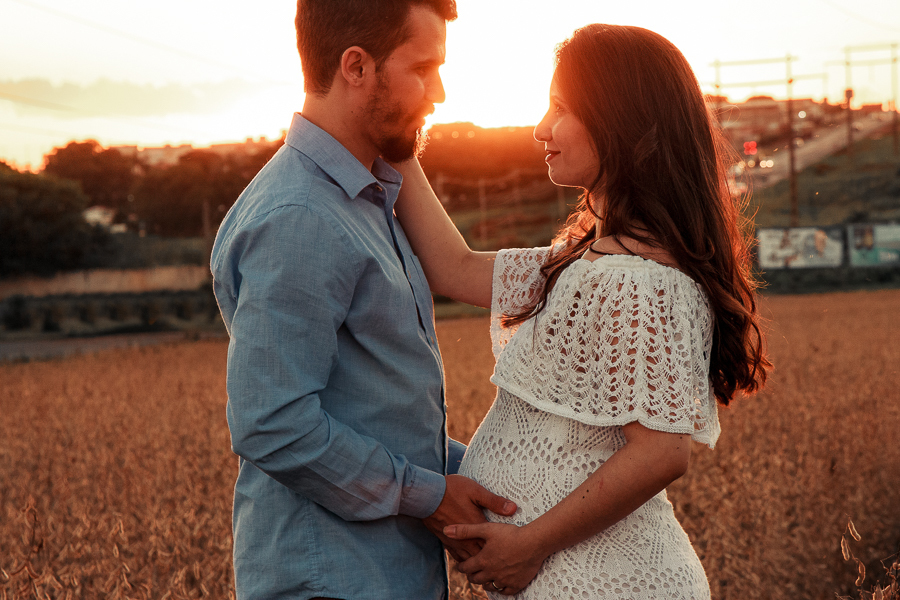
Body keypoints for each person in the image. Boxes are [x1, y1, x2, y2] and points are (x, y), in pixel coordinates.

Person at [394, 24, 770, 599]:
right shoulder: (586, 260)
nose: (541, 128)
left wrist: (530, 543)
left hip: (610, 583)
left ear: (619, 122)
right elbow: (455, 267)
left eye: (561, 108)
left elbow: (661, 453)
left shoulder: (639, 282)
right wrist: (398, 140)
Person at [210, 1, 515, 598]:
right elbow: (273, 425)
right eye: (423, 68)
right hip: (329, 580)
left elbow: (375, 410)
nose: (441, 93)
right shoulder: (299, 216)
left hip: (378, 571)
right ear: (356, 66)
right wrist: (430, 495)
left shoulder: (365, 197)